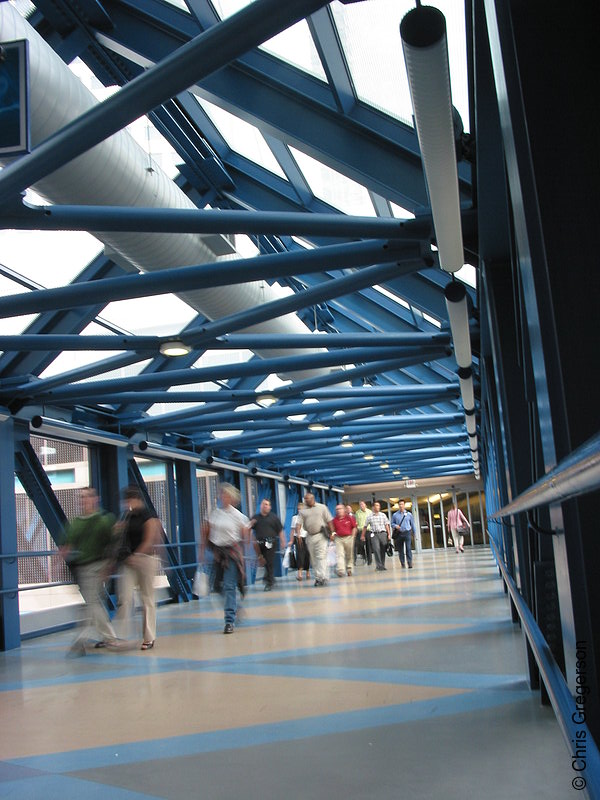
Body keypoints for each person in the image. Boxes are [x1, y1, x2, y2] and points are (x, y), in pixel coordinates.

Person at [60, 487, 119, 657]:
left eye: (86, 497)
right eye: (81, 497)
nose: (83, 500)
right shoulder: (76, 522)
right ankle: (107, 637)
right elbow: (68, 544)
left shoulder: (104, 520)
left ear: (95, 499)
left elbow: (113, 543)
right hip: (83, 567)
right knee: (93, 603)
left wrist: (109, 565)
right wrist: (59, 563)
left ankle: (86, 638)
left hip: (99, 566)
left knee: (92, 602)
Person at [114, 486, 162, 650]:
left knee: (147, 598)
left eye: (130, 500)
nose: (128, 504)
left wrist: (137, 555)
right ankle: (121, 635)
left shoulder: (148, 515)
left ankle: (149, 637)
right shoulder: (127, 516)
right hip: (129, 561)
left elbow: (149, 539)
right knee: (125, 597)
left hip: (145, 560)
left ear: (137, 499)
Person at [201, 483, 249, 633]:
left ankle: (229, 621)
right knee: (217, 586)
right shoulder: (214, 514)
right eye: (222, 494)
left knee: (229, 585)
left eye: (227, 495)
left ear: (232, 498)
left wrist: (244, 555)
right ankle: (235, 607)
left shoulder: (238, 516)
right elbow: (206, 532)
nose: (224, 497)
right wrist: (202, 551)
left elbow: (245, 537)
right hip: (218, 553)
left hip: (232, 554)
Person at [296, 492, 333, 587]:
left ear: (312, 499)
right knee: (313, 558)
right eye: (305, 499)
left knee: (320, 556)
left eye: (307, 499)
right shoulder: (302, 511)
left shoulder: (322, 507)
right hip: (310, 536)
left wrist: (332, 533)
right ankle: (323, 576)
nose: (305, 501)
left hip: (321, 535)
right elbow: (298, 524)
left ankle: (320, 578)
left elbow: (329, 520)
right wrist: (299, 535)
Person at [249, 498, 285, 592]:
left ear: (270, 507)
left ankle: (269, 582)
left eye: (267, 504)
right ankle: (270, 577)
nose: (265, 506)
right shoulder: (255, 518)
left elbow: (280, 530)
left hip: (270, 541)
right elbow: (248, 528)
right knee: (263, 561)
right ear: (261, 505)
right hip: (259, 543)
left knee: (269, 560)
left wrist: (282, 541)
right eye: (264, 504)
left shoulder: (274, 517)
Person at [330, 504, 357, 577]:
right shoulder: (334, 520)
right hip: (339, 538)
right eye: (337, 509)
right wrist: (332, 535)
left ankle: (349, 569)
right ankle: (341, 570)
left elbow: (354, 527)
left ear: (344, 510)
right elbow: (332, 530)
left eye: (340, 509)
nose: (338, 511)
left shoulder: (349, 518)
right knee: (340, 555)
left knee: (349, 555)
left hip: (349, 538)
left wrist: (353, 536)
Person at [363, 501, 391, 571]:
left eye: (378, 505)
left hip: (383, 533)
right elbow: (365, 526)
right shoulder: (369, 516)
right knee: (376, 549)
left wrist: (389, 534)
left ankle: (382, 565)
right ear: (373, 507)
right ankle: (378, 566)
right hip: (374, 535)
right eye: (376, 505)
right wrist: (362, 535)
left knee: (382, 550)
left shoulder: (383, 515)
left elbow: (386, 525)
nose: (377, 507)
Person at [391, 499, 417, 569]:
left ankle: (409, 562)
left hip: (407, 533)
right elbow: (392, 523)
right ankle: (402, 563)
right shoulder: (395, 515)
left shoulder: (409, 514)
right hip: (399, 534)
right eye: (399, 504)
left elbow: (413, 524)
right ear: (398, 505)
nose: (401, 506)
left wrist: (415, 533)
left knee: (408, 548)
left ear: (404, 505)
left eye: (402, 504)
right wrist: (395, 526)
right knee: (400, 550)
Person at [289, 502, 310, 581]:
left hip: (306, 537)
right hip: (298, 538)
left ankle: (307, 571)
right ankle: (300, 573)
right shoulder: (294, 518)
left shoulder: (307, 518)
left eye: (301, 509)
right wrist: (291, 540)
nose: (299, 510)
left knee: (307, 554)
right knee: (300, 555)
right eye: (298, 509)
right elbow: (292, 530)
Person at [354, 500, 371, 565]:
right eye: (360, 505)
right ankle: (364, 557)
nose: (361, 506)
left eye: (362, 504)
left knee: (368, 546)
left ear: (365, 505)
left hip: (368, 530)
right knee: (360, 545)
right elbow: (356, 522)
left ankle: (369, 560)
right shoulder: (357, 513)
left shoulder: (369, 512)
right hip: (361, 531)